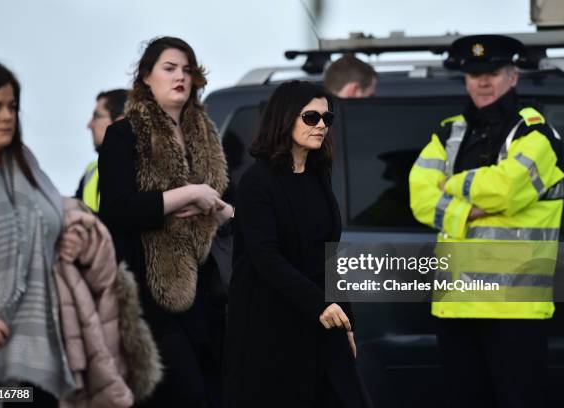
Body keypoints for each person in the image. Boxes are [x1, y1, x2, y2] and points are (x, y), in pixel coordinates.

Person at [409, 35, 564, 408]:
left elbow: (507, 189)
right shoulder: (448, 133)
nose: (483, 81)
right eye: (474, 73)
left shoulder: (537, 133)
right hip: (457, 305)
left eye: (492, 72)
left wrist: (454, 184)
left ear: (513, 77)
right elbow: (419, 197)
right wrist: (468, 209)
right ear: (464, 79)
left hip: (514, 307)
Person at [98, 36, 232, 407]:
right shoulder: (123, 134)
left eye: (187, 70)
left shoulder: (208, 136)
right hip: (150, 291)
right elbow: (116, 211)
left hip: (208, 292)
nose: (180, 77)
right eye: (169, 69)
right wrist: (187, 194)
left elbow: (229, 207)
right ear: (145, 77)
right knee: (181, 393)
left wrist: (215, 206)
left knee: (212, 392)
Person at [224, 80, 370, 408]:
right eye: (311, 117)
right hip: (272, 328)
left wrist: (345, 319)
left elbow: (329, 254)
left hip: (320, 322)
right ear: (285, 117)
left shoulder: (319, 175)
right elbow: (266, 258)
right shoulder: (257, 182)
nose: (321, 126)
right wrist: (320, 304)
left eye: (326, 119)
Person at [0, 60, 75, 406]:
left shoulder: (25, 164)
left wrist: (67, 237)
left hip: (38, 348)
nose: (7, 116)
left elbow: (51, 220)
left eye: (12, 107)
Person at [75, 89, 128, 212]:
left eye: (97, 116)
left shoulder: (145, 172)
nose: (89, 125)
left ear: (120, 122)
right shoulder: (92, 171)